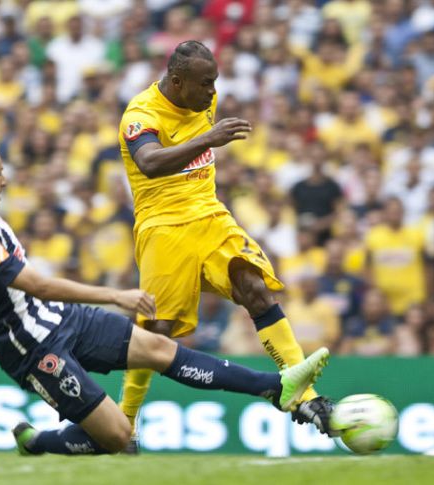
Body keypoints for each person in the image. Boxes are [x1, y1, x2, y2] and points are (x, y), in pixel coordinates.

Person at [0, 105, 331, 456]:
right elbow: (37, 286)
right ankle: (40, 442)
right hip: (32, 346)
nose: (6, 179)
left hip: (62, 318)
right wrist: (114, 295)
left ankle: (276, 388)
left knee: (159, 351)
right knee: (119, 440)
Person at [117, 40, 337, 448]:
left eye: (215, 82)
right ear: (177, 82)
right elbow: (149, 163)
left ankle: (305, 397)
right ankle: (123, 424)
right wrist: (209, 139)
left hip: (211, 216)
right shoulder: (140, 114)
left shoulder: (201, 99)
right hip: (163, 228)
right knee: (157, 332)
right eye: (205, 84)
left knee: (255, 286)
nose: (212, 92)